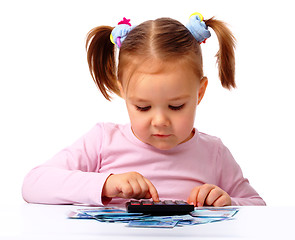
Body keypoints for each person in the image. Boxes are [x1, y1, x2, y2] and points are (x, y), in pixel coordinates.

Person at [22, 13, 266, 207]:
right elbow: (33, 184)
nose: (159, 120)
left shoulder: (214, 154)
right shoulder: (102, 142)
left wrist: (228, 201)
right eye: (142, 107)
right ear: (123, 92)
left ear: (199, 92)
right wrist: (106, 184)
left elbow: (257, 206)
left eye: (176, 106)